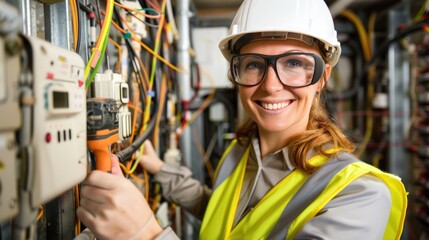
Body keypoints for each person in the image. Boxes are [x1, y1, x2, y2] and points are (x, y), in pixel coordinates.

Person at [77, 0, 408, 239]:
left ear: (322, 77)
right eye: (253, 64)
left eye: (293, 63)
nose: (270, 85)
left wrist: (145, 234)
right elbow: (223, 217)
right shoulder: (243, 150)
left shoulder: (361, 196)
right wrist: (162, 171)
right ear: (236, 75)